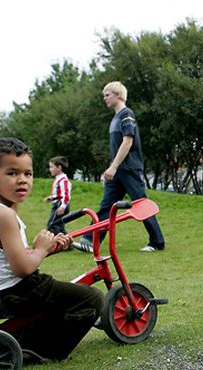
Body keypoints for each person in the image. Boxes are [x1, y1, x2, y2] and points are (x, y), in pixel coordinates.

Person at [0, 138, 104, 362]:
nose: (22, 180)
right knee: (92, 299)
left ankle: (28, 337)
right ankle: (43, 349)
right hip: (19, 291)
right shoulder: (3, 215)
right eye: (12, 173)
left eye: (27, 174)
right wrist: (39, 250)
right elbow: (22, 269)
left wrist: (48, 249)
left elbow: (13, 259)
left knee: (66, 297)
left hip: (3, 289)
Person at [74, 81, 165, 253]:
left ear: (118, 95)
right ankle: (89, 241)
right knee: (106, 207)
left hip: (129, 169)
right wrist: (111, 169)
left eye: (107, 95)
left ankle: (157, 242)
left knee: (141, 204)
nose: (104, 98)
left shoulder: (126, 114)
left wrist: (114, 166)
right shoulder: (115, 118)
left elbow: (128, 141)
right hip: (117, 171)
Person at [43, 156, 71, 235]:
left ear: (59, 167)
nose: (50, 169)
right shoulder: (59, 179)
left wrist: (63, 206)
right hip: (58, 203)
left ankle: (57, 243)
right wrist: (50, 198)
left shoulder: (63, 180)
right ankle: (67, 243)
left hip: (60, 204)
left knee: (52, 224)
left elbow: (66, 194)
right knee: (59, 225)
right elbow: (58, 194)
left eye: (51, 167)